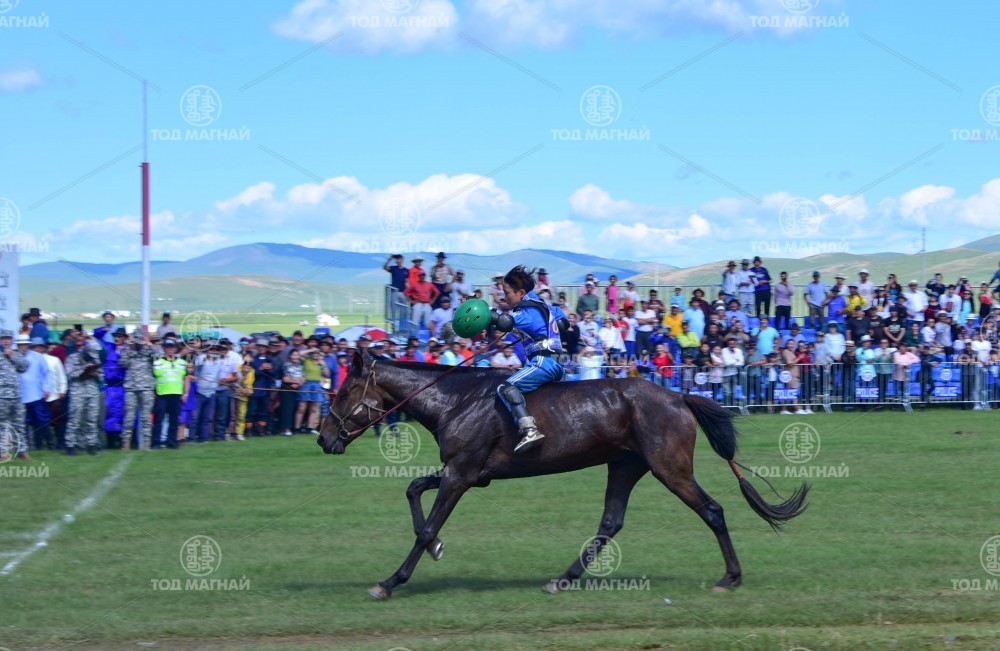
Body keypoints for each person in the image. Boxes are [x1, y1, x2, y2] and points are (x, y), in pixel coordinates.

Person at [490, 266, 569, 453]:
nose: (505, 298)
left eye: (507, 293)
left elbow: (505, 323)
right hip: (560, 364)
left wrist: (487, 314)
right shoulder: (547, 306)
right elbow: (563, 323)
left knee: (506, 388)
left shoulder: (525, 311)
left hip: (543, 362)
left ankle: (529, 430)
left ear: (520, 292)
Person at [65, 336, 104, 455]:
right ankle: (70, 444)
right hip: (77, 392)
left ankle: (91, 444)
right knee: (75, 418)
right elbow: (69, 374)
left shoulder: (96, 359)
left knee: (92, 418)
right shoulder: (72, 358)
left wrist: (96, 374)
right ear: (86, 350)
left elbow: (102, 376)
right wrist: (83, 370)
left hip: (92, 391)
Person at [119, 332, 156, 450]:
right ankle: (126, 444)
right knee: (129, 417)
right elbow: (122, 362)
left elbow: (160, 357)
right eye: (136, 338)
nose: (138, 341)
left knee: (146, 417)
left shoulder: (148, 351)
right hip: (131, 388)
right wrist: (128, 345)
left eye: (140, 338)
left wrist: (149, 344)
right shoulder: (128, 351)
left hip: (146, 388)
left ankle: (146, 444)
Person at [18, 335, 53, 453]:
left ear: (28, 345)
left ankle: (50, 445)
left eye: (24, 345)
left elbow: (47, 373)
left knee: (42, 421)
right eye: (20, 345)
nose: (22, 347)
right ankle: (27, 447)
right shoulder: (14, 357)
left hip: (36, 394)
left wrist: (47, 388)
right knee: (23, 422)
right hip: (20, 396)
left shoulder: (37, 357)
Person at [152, 338, 187, 449]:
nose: (170, 349)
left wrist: (185, 393)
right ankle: (156, 443)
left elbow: (185, 377)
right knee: (159, 420)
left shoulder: (182, 363)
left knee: (174, 420)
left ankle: (172, 442)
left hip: (176, 395)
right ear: (164, 349)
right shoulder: (158, 362)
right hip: (162, 395)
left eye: (172, 347)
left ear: (175, 349)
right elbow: (155, 376)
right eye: (167, 347)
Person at [0, 330, 28, 460]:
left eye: (8, 338)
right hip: (2, 396)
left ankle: (21, 451)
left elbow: (24, 367)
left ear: (12, 340)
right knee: (2, 424)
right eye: (3, 338)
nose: (6, 341)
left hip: (16, 395)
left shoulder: (16, 353)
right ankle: (3, 452)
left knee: (19, 424)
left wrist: (12, 356)